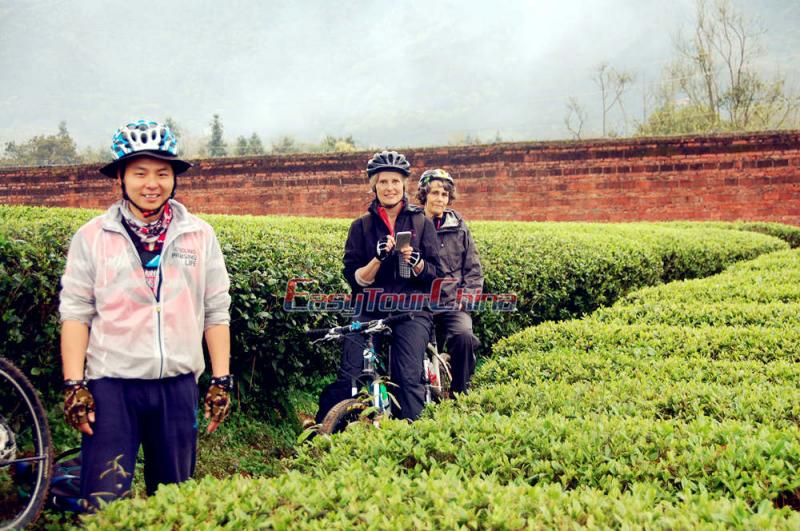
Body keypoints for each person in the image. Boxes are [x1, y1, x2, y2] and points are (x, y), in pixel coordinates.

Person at [59, 119, 233, 508]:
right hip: (111, 387)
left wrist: (221, 379)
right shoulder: (91, 237)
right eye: (139, 173)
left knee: (174, 502)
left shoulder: (199, 235)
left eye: (162, 172)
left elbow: (216, 310)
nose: (151, 183)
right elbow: (75, 313)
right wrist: (74, 386)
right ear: (120, 177)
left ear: (175, 178)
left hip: (177, 385)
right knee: (104, 501)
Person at [315, 150, 441, 423]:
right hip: (371, 307)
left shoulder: (422, 222)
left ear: (405, 184)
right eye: (383, 182)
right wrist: (378, 258)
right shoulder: (360, 226)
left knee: (407, 377)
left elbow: (435, 274)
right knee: (350, 373)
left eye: (395, 181)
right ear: (373, 185)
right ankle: (335, 438)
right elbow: (355, 278)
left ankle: (412, 439)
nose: (389, 188)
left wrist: (417, 263)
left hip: (412, 310)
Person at [416, 168, 483, 394]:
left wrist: (466, 299)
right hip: (419, 305)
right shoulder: (411, 223)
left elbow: (473, 270)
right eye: (434, 193)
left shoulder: (458, 226)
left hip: (452, 304)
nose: (440, 199)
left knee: (465, 336)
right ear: (424, 195)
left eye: (444, 195)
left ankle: (459, 393)